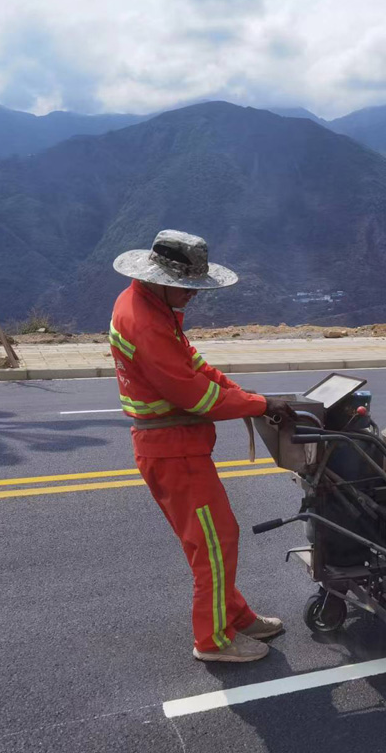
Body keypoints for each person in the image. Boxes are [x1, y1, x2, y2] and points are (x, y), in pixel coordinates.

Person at [110, 229, 294, 663]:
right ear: (159, 277)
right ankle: (213, 641)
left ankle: (236, 614)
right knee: (213, 541)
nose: (192, 296)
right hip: (173, 449)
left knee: (213, 537)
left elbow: (194, 364)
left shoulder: (149, 303)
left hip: (175, 446)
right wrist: (259, 404)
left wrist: (245, 396)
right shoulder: (147, 322)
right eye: (186, 286)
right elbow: (196, 396)